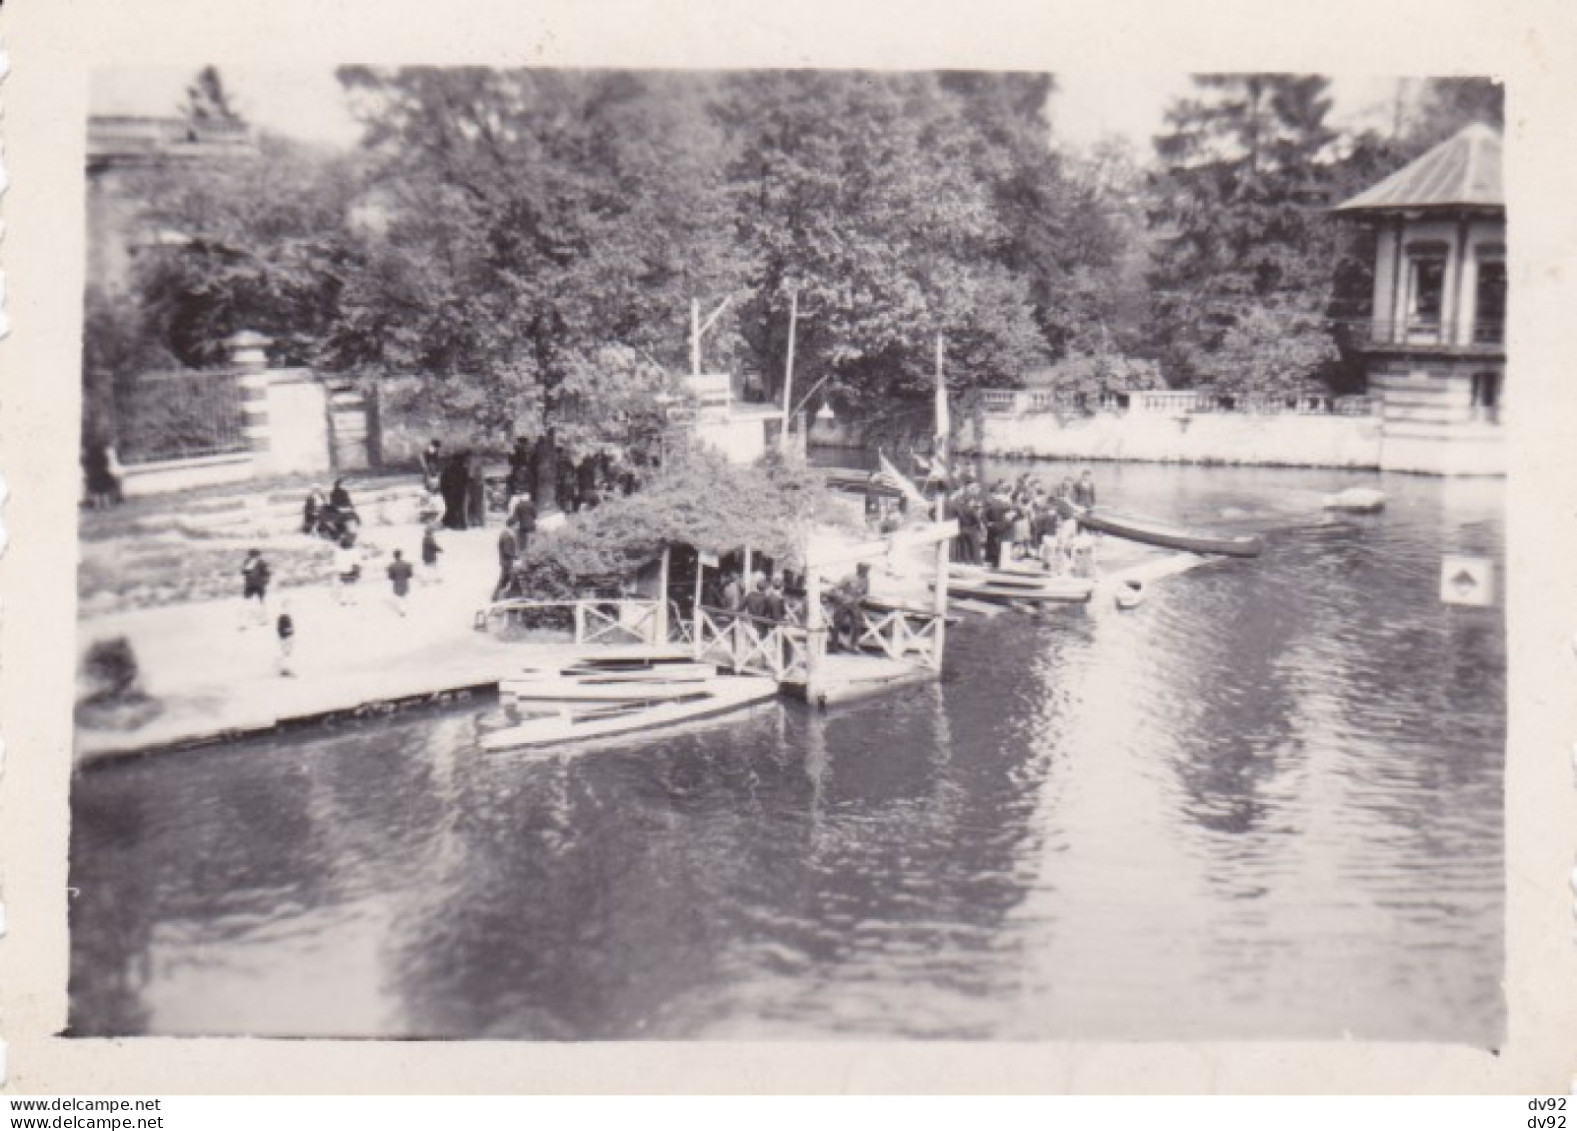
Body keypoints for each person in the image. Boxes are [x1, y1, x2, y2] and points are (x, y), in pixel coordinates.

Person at [827, 562, 871, 653]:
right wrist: (842, 597)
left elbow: (866, 593)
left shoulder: (866, 580)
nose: (865, 572)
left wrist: (860, 599)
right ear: (858, 569)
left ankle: (853, 646)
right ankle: (833, 647)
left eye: (867, 570)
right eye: (864, 569)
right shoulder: (848, 577)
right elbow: (836, 588)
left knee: (858, 624)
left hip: (855, 604)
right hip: (843, 603)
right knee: (836, 624)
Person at [240, 548, 271, 628]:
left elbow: (243, 572)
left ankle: (261, 619)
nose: (254, 557)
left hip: (253, 585)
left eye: (254, 555)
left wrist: (265, 581)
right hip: (255, 585)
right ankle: (262, 619)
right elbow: (267, 574)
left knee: (250, 602)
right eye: (253, 555)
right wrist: (266, 581)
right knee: (259, 602)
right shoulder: (258, 562)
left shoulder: (254, 562)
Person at [493, 523, 519, 601]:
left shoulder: (504, 534)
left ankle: (496, 596)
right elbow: (507, 551)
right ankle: (496, 597)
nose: (517, 527)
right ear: (512, 525)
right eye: (516, 525)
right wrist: (515, 556)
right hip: (507, 562)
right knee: (506, 579)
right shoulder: (507, 536)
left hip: (504, 561)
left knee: (504, 580)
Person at [334, 533, 361, 606]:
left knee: (344, 586)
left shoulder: (339, 551)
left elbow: (337, 561)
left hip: (343, 570)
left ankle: (343, 600)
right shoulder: (354, 551)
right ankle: (353, 600)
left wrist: (339, 569)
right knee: (353, 586)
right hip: (352, 570)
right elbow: (357, 561)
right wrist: (358, 570)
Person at [387, 549, 415, 617]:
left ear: (394, 556)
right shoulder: (406, 564)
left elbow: (390, 577)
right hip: (404, 582)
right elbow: (410, 574)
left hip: (397, 583)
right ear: (401, 555)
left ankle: (402, 611)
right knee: (404, 596)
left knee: (399, 598)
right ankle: (404, 610)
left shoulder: (391, 566)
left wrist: (395, 578)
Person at [276, 601, 296, 677]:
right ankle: (284, 669)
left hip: (286, 637)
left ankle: (283, 668)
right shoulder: (283, 617)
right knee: (286, 653)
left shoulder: (285, 616)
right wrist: (290, 631)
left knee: (286, 653)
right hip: (285, 638)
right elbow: (282, 630)